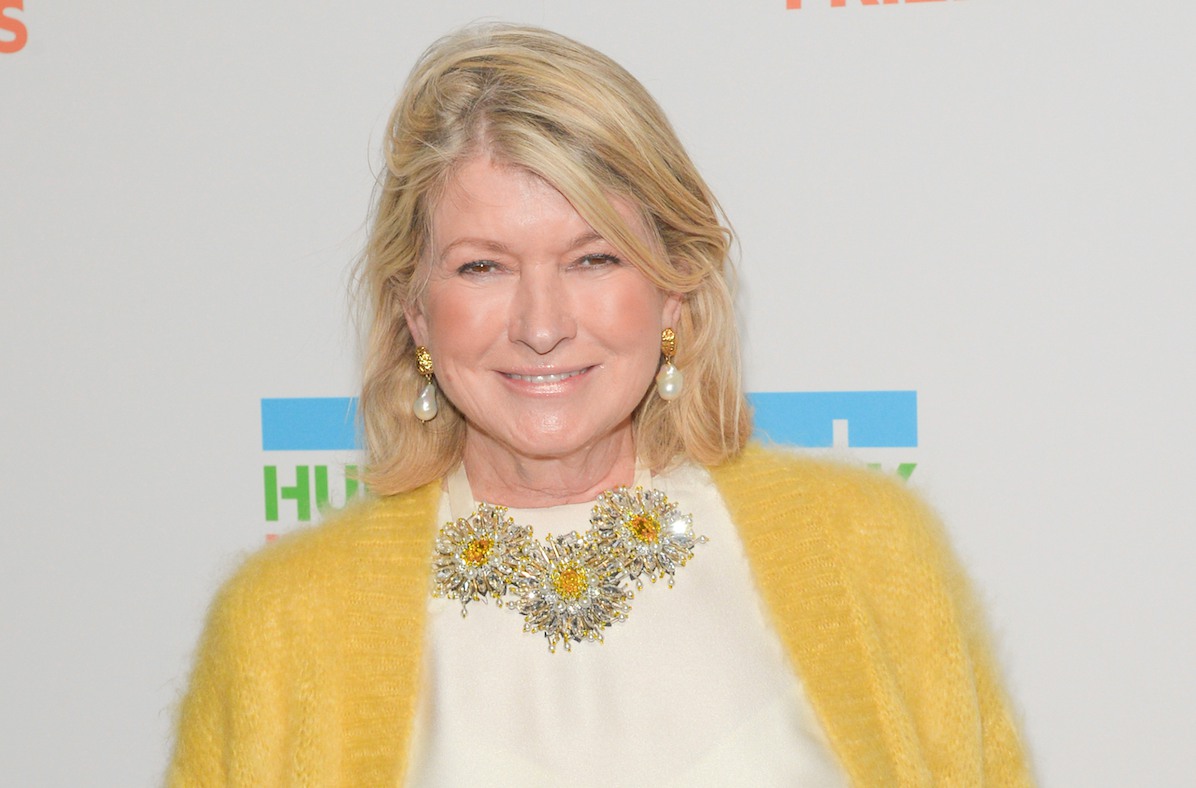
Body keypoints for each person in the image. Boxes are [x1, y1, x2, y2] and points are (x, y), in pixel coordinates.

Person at [169, 23, 1032, 786]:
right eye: (483, 267)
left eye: (594, 259)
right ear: (413, 310)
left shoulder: (871, 553)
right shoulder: (283, 623)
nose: (542, 326)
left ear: (674, 292)